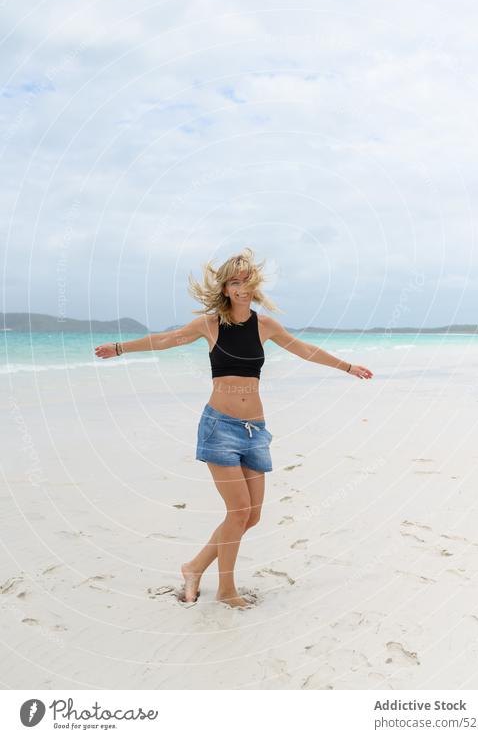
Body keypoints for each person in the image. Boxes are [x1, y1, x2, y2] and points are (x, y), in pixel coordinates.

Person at [94, 248, 373, 609]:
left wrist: (347, 367)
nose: (242, 288)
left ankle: (194, 567)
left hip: (255, 430)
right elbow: (166, 340)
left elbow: (304, 349)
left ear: (254, 287)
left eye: (247, 282)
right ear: (225, 288)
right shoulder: (208, 325)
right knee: (239, 511)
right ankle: (226, 589)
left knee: (251, 516)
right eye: (235, 282)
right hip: (219, 427)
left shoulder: (266, 325)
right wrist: (120, 348)